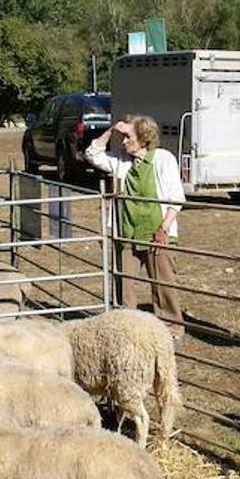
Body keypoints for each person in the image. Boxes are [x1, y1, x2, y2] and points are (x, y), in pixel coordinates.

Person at [85, 114, 187, 341]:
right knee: (124, 283)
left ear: (144, 138)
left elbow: (176, 197)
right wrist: (112, 129)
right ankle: (125, 329)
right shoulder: (121, 161)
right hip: (127, 231)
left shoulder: (163, 159)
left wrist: (164, 228)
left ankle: (172, 329)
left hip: (156, 232)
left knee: (163, 284)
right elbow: (92, 153)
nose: (123, 142)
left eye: (128, 137)